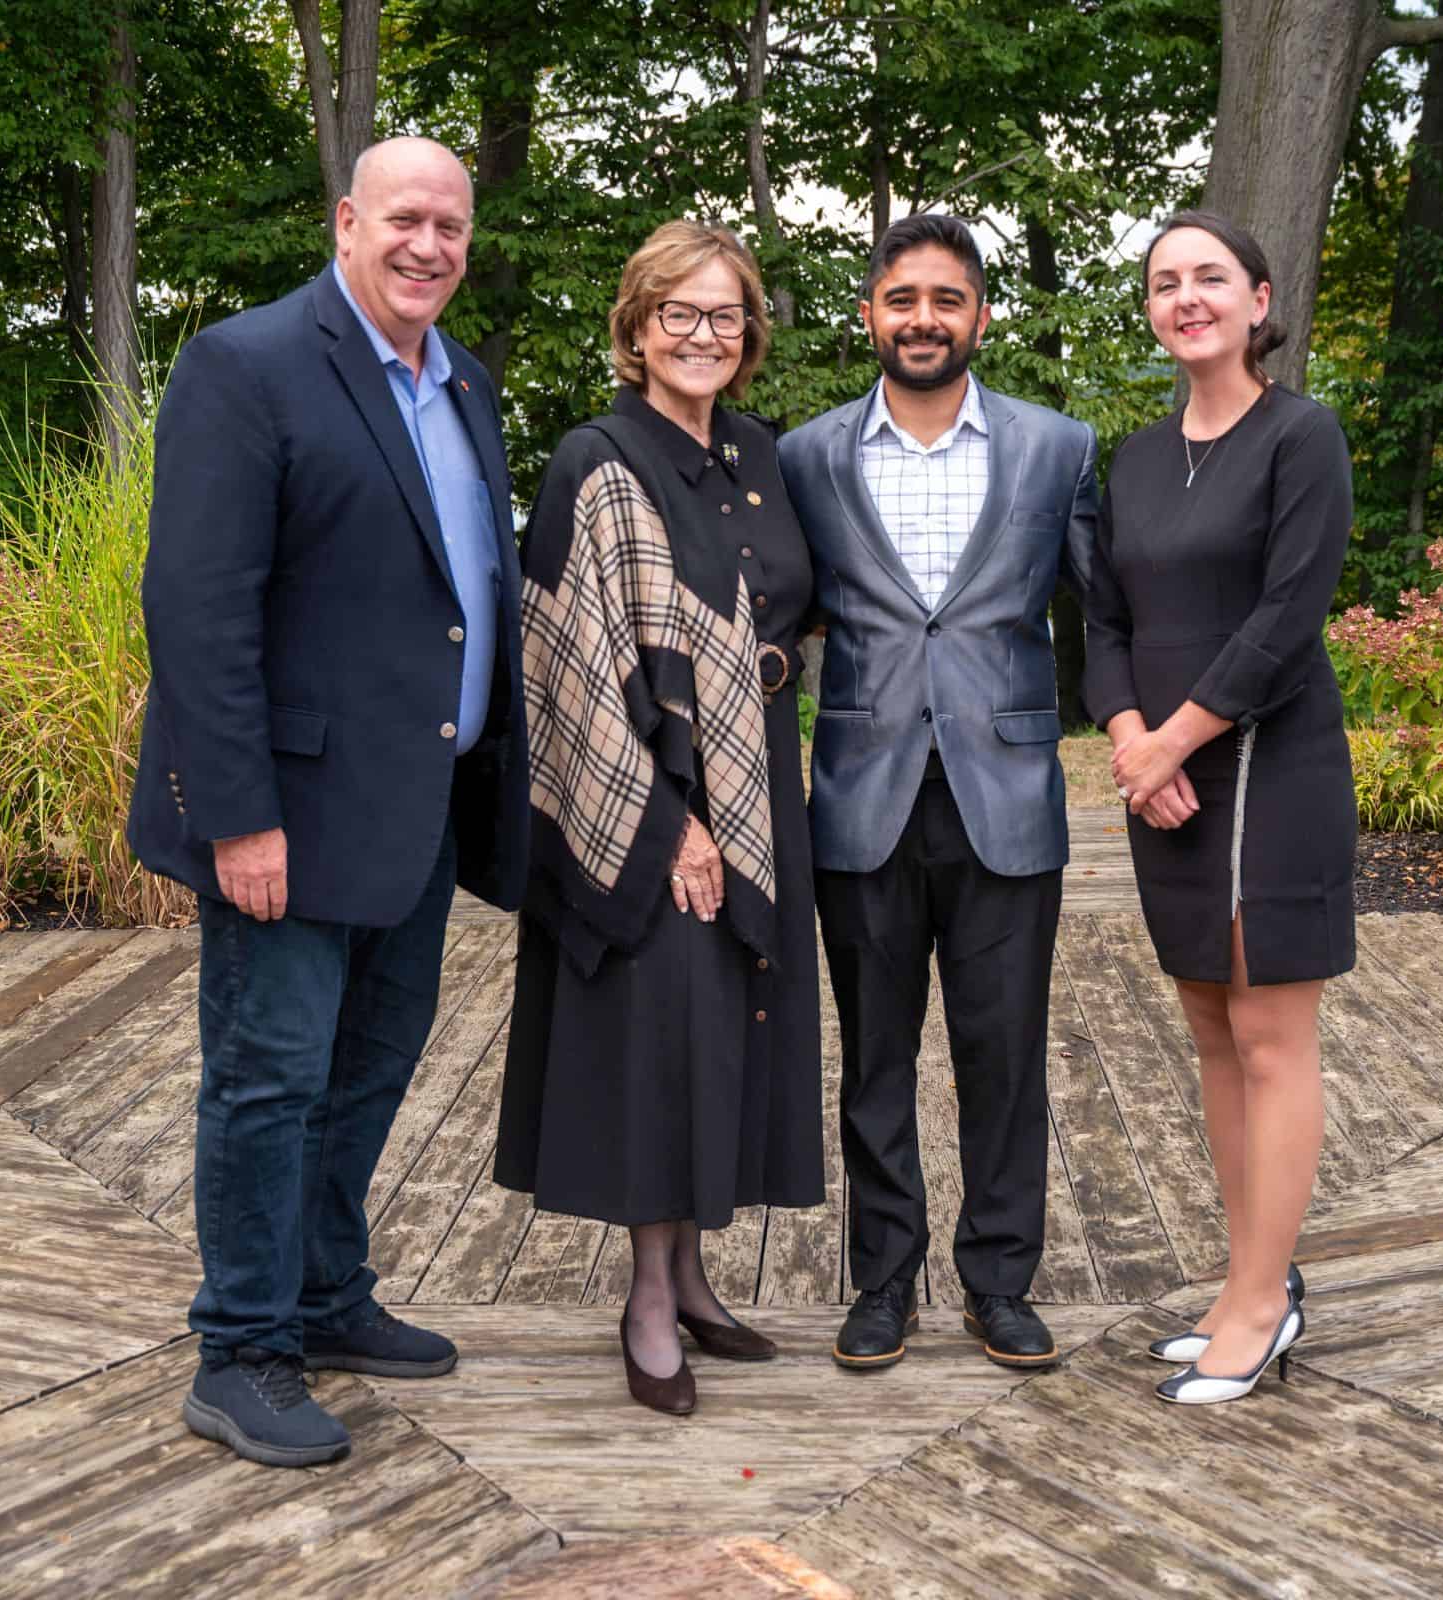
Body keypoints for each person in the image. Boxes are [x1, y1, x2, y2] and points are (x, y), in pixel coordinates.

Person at [127, 137, 528, 1467]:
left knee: (366, 1072)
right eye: (407, 219)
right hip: (285, 822)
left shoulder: (463, 381)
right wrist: (236, 816)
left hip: (416, 803)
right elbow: (195, 608)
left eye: (453, 227)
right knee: (268, 1082)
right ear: (348, 222)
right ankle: (241, 1350)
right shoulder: (248, 365)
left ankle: (324, 1295)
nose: (430, 246)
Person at [494, 221, 823, 1416]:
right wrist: (676, 821)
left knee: (731, 1025)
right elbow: (572, 664)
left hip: (761, 789)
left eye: (724, 315)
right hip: (649, 806)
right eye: (677, 314)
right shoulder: (595, 460)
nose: (702, 334)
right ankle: (643, 1291)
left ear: (749, 336)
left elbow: (790, 609)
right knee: (657, 1033)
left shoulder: (759, 454)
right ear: (635, 329)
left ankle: (693, 1271)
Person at [779, 215, 1097, 1374]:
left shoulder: (1055, 448)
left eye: (946, 298)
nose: (922, 318)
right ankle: (882, 1279)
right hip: (859, 796)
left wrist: (1145, 732)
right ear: (868, 313)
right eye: (900, 297)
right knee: (872, 1056)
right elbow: (776, 609)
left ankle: (1000, 1281)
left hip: (1006, 795)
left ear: (979, 315)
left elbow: (1094, 615)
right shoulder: (804, 456)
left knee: (1002, 1055)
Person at [1082, 210, 1356, 1405]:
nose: (1184, 297)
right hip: (1168, 782)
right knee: (1206, 1031)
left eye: (1208, 278)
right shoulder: (1129, 459)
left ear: (1257, 300)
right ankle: (1245, 1279)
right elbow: (1096, 621)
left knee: (1267, 1036)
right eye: (1162, 282)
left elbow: (1287, 615)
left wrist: (1178, 735)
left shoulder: (1301, 437)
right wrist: (1132, 737)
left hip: (1270, 767)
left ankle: (1262, 1299)